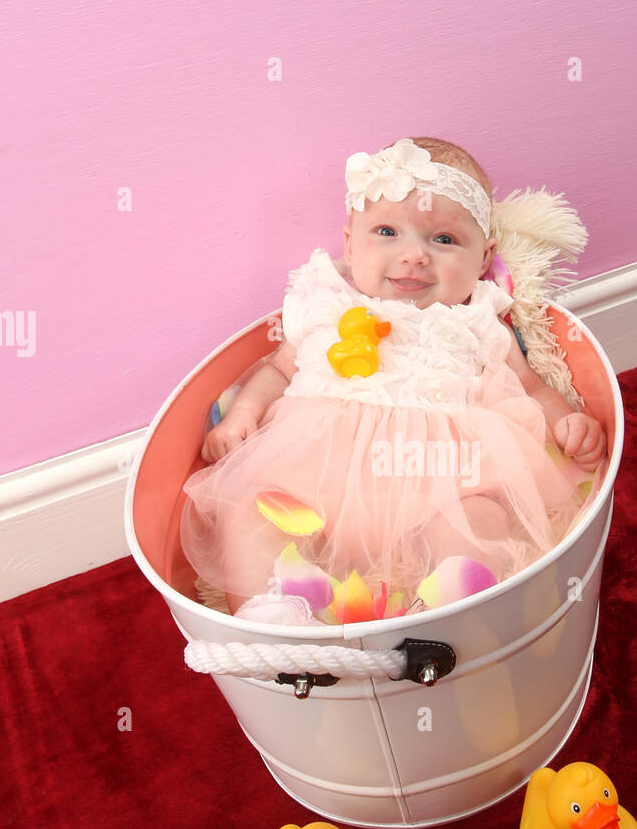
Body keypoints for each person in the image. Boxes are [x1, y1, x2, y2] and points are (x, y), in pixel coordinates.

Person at [180, 137, 607, 621]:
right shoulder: (326, 303)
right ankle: (276, 612)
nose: (414, 256)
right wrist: (242, 413)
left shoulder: (478, 320)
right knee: (249, 515)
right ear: (349, 244)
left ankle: (438, 616)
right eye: (387, 231)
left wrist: (565, 418)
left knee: (481, 521)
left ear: (484, 258)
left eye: (443, 240)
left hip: (444, 475)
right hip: (312, 472)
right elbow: (278, 369)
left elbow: (530, 386)